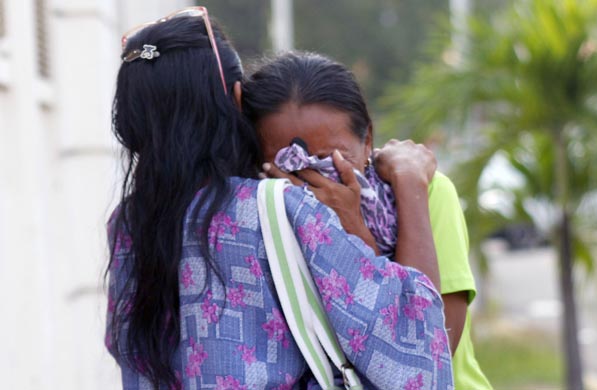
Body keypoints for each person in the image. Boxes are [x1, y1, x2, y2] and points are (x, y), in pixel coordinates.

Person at [105, 7, 454, 389]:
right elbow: (415, 350)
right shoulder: (281, 208)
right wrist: (407, 189)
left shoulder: (126, 227)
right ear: (238, 100)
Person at [243, 52, 491, 389]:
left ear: (368, 141)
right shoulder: (255, 215)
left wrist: (402, 189)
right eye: (289, 165)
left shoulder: (426, 192)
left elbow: (429, 352)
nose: (315, 178)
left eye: (335, 159)